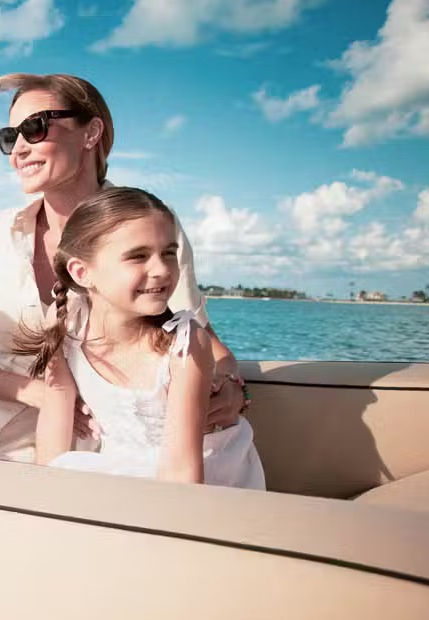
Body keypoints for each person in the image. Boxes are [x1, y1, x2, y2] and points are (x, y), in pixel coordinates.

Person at [0, 73, 249, 463]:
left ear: (91, 132)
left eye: (35, 128)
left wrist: (231, 386)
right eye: (10, 137)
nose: (18, 150)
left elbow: (204, 343)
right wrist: (39, 394)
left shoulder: (146, 228)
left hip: (89, 429)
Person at [15, 187, 265, 488]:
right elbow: (52, 441)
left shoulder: (185, 345)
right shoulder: (65, 326)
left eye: (169, 253)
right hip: (123, 465)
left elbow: (182, 476)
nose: (161, 269)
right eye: (138, 256)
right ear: (82, 273)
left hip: (202, 477)